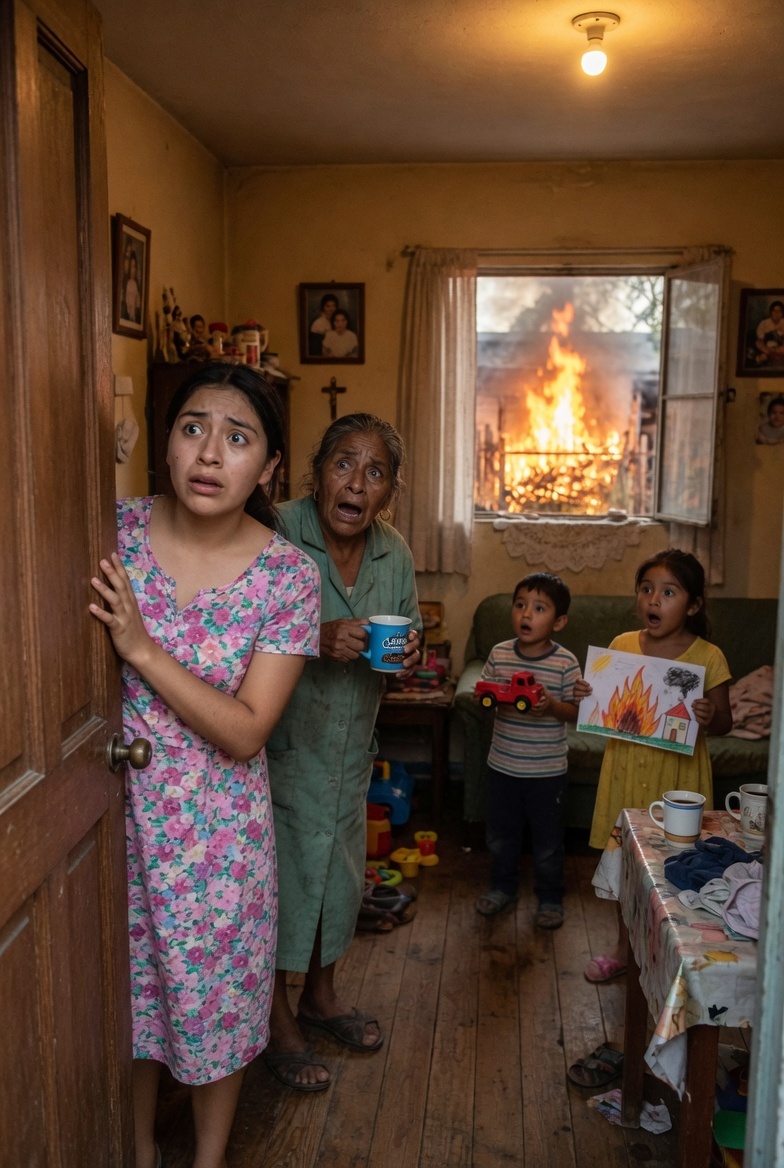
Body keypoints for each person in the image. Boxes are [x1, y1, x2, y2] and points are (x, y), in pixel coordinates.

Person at [89, 362, 320, 1168]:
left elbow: (248, 730)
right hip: (112, 819)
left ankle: (208, 1159)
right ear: (166, 443)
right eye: (193, 428)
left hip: (218, 842)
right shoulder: (111, 534)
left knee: (217, 1006)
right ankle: (139, 1150)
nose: (210, 453)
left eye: (238, 437)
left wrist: (142, 649)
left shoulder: (289, 577)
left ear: (269, 468)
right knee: (131, 1004)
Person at [263, 413, 421, 1091]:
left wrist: (406, 657)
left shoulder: (395, 553)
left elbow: (408, 641)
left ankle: (320, 998)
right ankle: (274, 1021)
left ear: (389, 491)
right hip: (278, 749)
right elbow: (229, 635)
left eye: (375, 471)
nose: (357, 482)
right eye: (343, 464)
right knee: (276, 886)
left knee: (337, 879)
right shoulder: (273, 529)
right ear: (318, 472)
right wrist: (313, 637)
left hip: (351, 748)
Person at [575, 548, 732, 985]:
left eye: (668, 592)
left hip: (678, 778)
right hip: (625, 770)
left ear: (693, 606)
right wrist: (585, 693)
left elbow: (725, 722)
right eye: (646, 589)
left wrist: (709, 716)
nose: (653, 600)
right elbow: (600, 702)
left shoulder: (709, 656)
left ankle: (674, 954)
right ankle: (622, 948)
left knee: (675, 865)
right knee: (623, 863)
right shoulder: (621, 646)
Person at [474, 573, 581, 929]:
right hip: (502, 766)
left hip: (547, 772)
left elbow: (575, 712)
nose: (526, 614)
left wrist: (551, 706)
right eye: (520, 605)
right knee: (501, 836)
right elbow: (488, 693)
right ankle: (502, 887)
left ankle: (550, 897)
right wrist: (486, 699)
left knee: (548, 842)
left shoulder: (565, 662)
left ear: (559, 622)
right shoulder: (500, 653)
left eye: (539, 608)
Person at [755, 300, 784, 366]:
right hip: (766, 346)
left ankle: (766, 356)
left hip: (780, 347)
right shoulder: (764, 323)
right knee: (758, 343)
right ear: (771, 312)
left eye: (779, 311)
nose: (776, 313)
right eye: (774, 311)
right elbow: (760, 336)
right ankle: (770, 355)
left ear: (782, 313)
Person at [123, 252, 141, 323]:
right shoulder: (126, 283)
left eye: (134, 266)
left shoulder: (135, 284)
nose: (134, 269)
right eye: (132, 267)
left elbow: (137, 302)